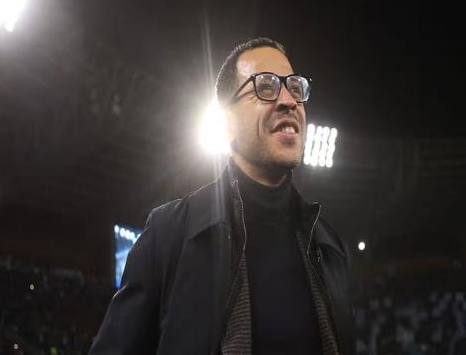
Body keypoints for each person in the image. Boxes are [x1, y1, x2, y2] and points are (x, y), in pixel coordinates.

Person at [89, 37, 354, 354]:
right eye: (265, 87)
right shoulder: (169, 233)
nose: (289, 101)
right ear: (227, 123)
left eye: (295, 88)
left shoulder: (330, 247)